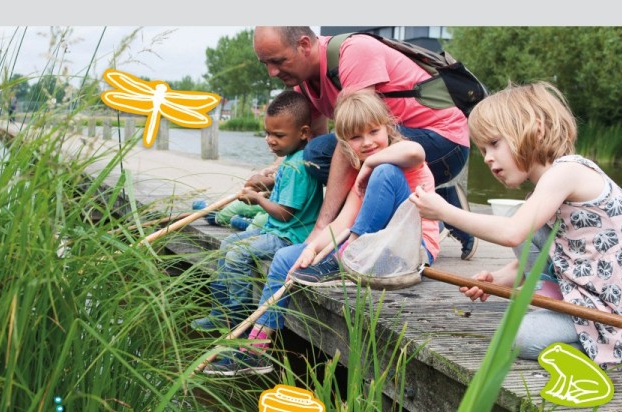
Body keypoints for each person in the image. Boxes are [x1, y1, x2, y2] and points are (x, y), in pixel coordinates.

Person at [203, 90, 440, 377]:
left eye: (374, 131)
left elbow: (417, 151)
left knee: (384, 171)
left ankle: (344, 258)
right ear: (344, 142)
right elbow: (341, 223)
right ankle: (255, 350)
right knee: (283, 258)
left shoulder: (396, 160)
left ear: (388, 128)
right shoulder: (359, 176)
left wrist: (369, 164)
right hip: (370, 250)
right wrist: (312, 249)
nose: (367, 142)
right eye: (355, 137)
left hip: (411, 249)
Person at [410, 81, 622, 370]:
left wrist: (446, 211)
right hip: (590, 290)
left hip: (620, 310)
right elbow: (547, 251)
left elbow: (512, 234)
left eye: (494, 143)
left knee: (516, 337)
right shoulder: (545, 191)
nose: (488, 158)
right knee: (523, 221)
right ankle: (580, 333)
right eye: (483, 149)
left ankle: (614, 349)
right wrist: (494, 280)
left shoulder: (568, 172)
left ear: (535, 129)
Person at [251, 26, 477, 261]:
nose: (271, 72)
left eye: (277, 61)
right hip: (392, 142)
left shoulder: (354, 52)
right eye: (265, 63)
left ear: (305, 45)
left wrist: (321, 227)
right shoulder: (305, 81)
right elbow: (311, 140)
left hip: (443, 143)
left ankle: (446, 205)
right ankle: (390, 215)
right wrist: (278, 171)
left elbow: (350, 137)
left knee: (326, 152)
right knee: (316, 155)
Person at [191, 91, 322, 370]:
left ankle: (238, 320)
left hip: (289, 236)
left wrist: (259, 199)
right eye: (267, 133)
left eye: (279, 135)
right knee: (228, 244)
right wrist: (265, 183)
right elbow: (281, 186)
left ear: (303, 133)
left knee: (237, 254)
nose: (271, 140)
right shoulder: (290, 160)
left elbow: (286, 212)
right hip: (276, 230)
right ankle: (220, 312)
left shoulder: (300, 166)